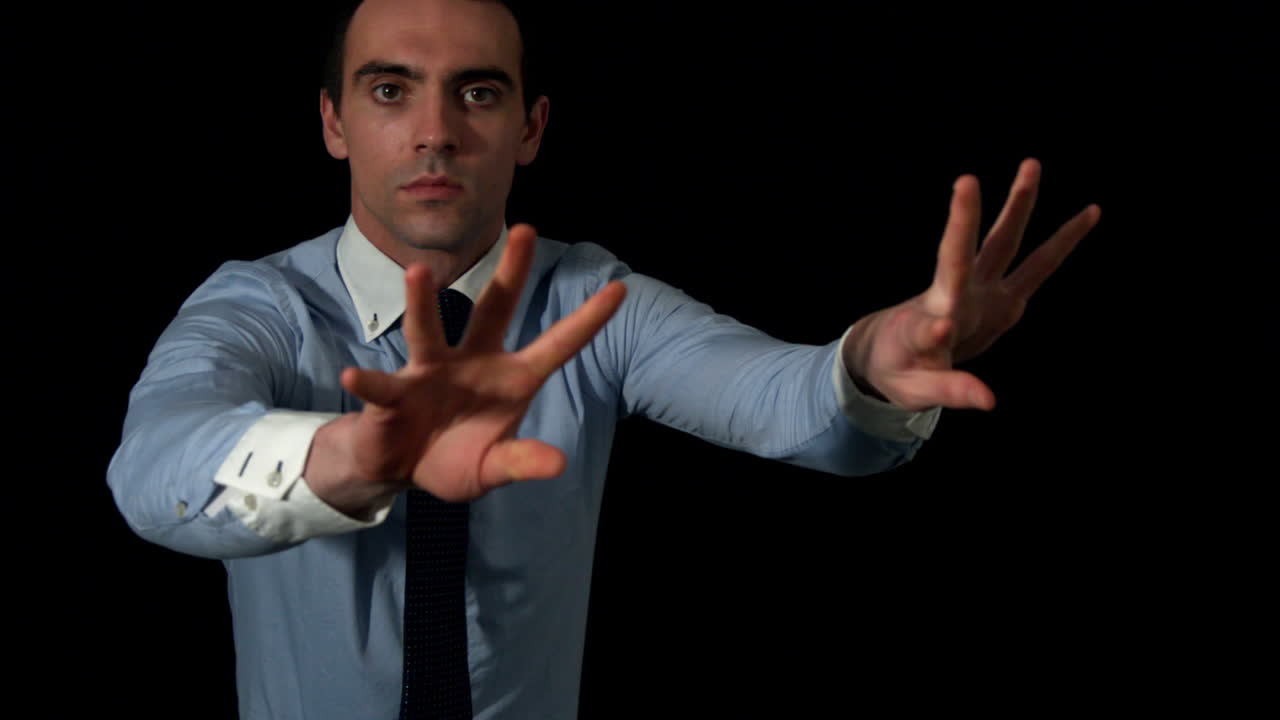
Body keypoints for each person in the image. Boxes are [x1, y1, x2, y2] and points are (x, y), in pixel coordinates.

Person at [106, 0, 1100, 717]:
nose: (436, 132)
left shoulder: (590, 301)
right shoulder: (258, 303)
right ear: (333, 122)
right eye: (388, 89)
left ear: (530, 127)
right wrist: (357, 457)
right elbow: (153, 471)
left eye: (479, 92)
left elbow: (771, 394)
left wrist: (871, 362)